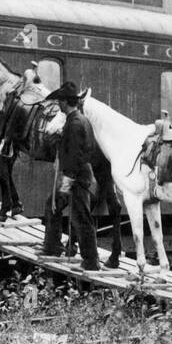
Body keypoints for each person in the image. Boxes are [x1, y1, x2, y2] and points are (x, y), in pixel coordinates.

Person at [39, 81, 100, 271]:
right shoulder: (79, 120)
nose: (58, 105)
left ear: (66, 102)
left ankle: (90, 262)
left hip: (75, 177)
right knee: (55, 206)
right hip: (78, 175)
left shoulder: (74, 124)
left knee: (80, 217)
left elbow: (74, 156)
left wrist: (67, 182)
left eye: (59, 102)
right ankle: (52, 248)